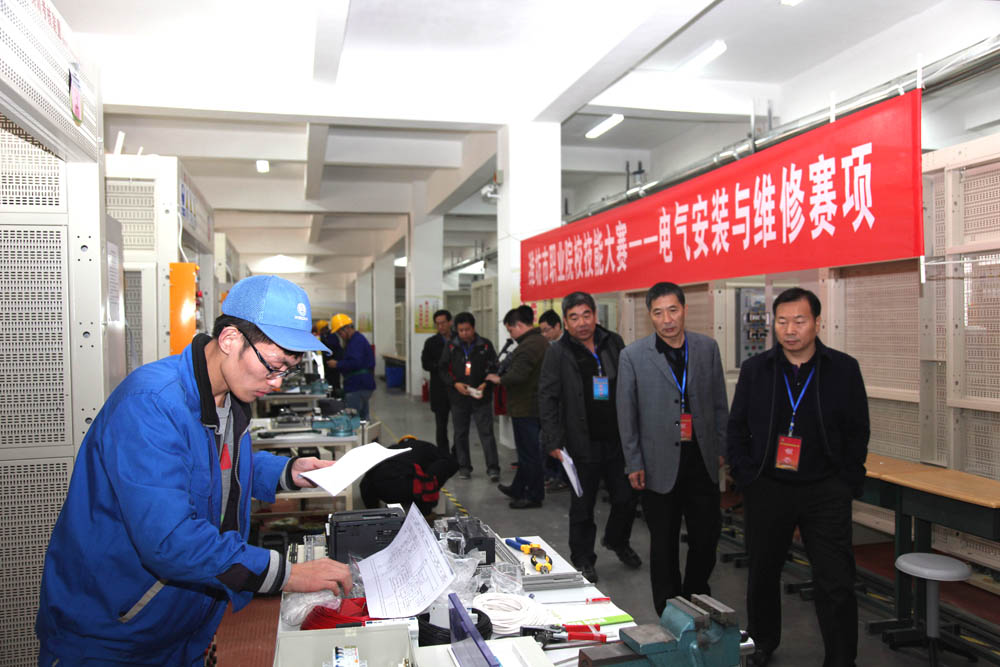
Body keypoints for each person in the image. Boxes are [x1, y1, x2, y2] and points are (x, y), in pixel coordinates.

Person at [36, 275, 352, 666]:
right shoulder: (151, 404)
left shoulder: (227, 398)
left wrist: (286, 471)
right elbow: (170, 539)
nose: (276, 383)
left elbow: (211, 467)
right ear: (231, 339)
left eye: (287, 370)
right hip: (112, 633)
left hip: (180, 625)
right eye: (273, 367)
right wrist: (288, 574)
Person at [727, 287, 870, 667]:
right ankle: (761, 642)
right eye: (782, 321)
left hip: (825, 490)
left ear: (817, 322)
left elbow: (858, 430)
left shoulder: (843, 369)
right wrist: (746, 475)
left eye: (800, 321)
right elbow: (737, 427)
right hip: (768, 488)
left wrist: (846, 480)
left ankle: (841, 658)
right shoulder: (756, 370)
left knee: (835, 579)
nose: (790, 330)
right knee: (762, 572)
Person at [616, 282, 729, 617]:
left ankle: (696, 598)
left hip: (702, 461)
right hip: (657, 465)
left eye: (673, 310)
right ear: (649, 315)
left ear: (684, 310)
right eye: (658, 312)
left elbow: (719, 403)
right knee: (663, 543)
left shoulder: (706, 348)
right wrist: (633, 462)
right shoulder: (633, 356)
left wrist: (722, 447)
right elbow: (627, 415)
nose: (667, 320)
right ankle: (669, 610)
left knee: (706, 538)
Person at [538, 291, 640, 583]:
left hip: (617, 439)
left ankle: (617, 540)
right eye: (574, 317)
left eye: (586, 315)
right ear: (566, 322)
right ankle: (583, 558)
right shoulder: (558, 352)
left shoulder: (613, 342)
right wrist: (553, 441)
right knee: (582, 506)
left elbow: (629, 385)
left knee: (626, 498)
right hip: (580, 443)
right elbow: (547, 397)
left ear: (595, 315)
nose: (582, 323)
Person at [487, 305, 548, 509]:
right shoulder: (536, 341)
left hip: (527, 407)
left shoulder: (530, 345)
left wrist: (499, 379)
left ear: (520, 325)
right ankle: (518, 488)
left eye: (510, 330)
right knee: (525, 453)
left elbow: (518, 375)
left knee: (529, 453)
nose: (510, 335)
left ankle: (534, 495)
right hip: (530, 405)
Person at [438, 312, 500, 481]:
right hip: (459, 397)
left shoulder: (485, 345)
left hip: (481, 397)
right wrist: (455, 384)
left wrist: (486, 384)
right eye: (461, 330)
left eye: (467, 329)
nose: (464, 333)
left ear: (473, 328)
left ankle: (493, 468)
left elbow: (494, 368)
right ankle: (464, 467)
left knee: (486, 433)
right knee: (460, 433)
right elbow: (443, 369)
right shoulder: (451, 346)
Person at [327, 313, 376, 420]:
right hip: (361, 385)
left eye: (340, 333)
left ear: (347, 328)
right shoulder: (355, 340)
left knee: (352, 419)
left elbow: (355, 363)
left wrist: (337, 364)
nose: (340, 336)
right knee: (363, 419)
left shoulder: (356, 341)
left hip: (358, 386)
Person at [421, 309, 454, 455]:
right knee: (441, 426)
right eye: (438, 324)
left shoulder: (458, 340)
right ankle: (443, 455)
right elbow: (425, 363)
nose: (440, 326)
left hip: (457, 389)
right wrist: (440, 367)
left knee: (460, 426)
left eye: (443, 323)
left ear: (450, 322)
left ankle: (458, 455)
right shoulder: (431, 343)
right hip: (439, 390)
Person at [318, 318, 343, 394]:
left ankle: (336, 394)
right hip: (327, 362)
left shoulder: (332, 336)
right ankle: (332, 392)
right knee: (329, 379)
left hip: (334, 362)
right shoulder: (324, 336)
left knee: (334, 381)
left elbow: (332, 348)